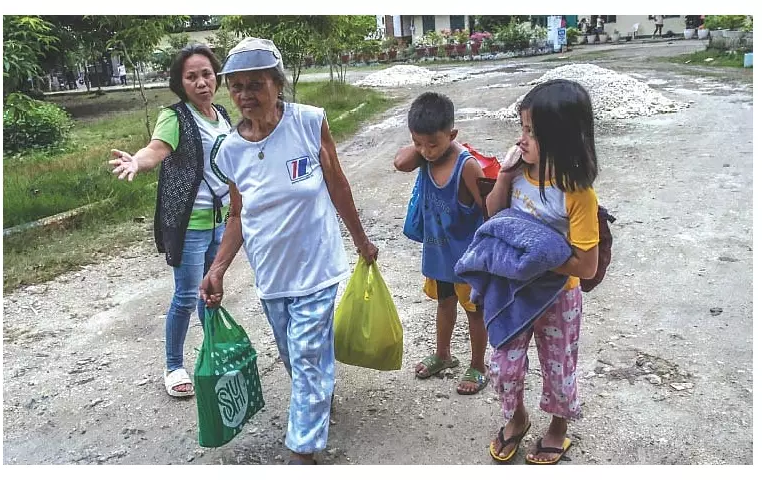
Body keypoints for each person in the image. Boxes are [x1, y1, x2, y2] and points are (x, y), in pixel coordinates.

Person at [199, 37, 379, 465]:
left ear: (278, 85)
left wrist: (360, 240)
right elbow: (237, 214)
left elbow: (337, 184)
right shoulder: (230, 150)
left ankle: (302, 451)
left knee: (307, 356)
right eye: (237, 86)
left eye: (256, 84)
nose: (245, 95)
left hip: (317, 267)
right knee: (294, 358)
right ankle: (317, 397)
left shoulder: (309, 122)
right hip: (271, 275)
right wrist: (218, 268)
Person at [484, 79, 599, 465]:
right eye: (522, 129)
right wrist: (503, 175)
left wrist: (537, 258)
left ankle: (558, 429)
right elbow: (494, 215)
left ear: (561, 138)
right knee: (503, 364)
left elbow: (586, 266)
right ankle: (517, 418)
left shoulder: (577, 193)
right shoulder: (518, 173)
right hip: (515, 291)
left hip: (558, 296)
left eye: (531, 132)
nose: (521, 139)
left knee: (559, 366)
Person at [108, 44, 233, 399]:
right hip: (190, 223)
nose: (201, 82)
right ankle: (174, 365)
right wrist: (137, 161)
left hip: (220, 221)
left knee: (211, 292)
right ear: (180, 83)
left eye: (206, 74)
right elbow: (156, 149)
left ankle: (213, 353)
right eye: (191, 77)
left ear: (216, 76)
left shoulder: (222, 114)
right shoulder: (174, 117)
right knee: (186, 296)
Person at [393, 92, 489, 396]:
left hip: (467, 258)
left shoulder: (467, 166)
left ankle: (478, 365)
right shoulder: (425, 156)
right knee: (444, 304)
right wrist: (424, 145)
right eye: (418, 143)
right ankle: (443, 354)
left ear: (452, 134)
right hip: (439, 255)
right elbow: (400, 163)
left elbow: (488, 209)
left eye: (433, 144)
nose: (426, 151)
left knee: (474, 312)